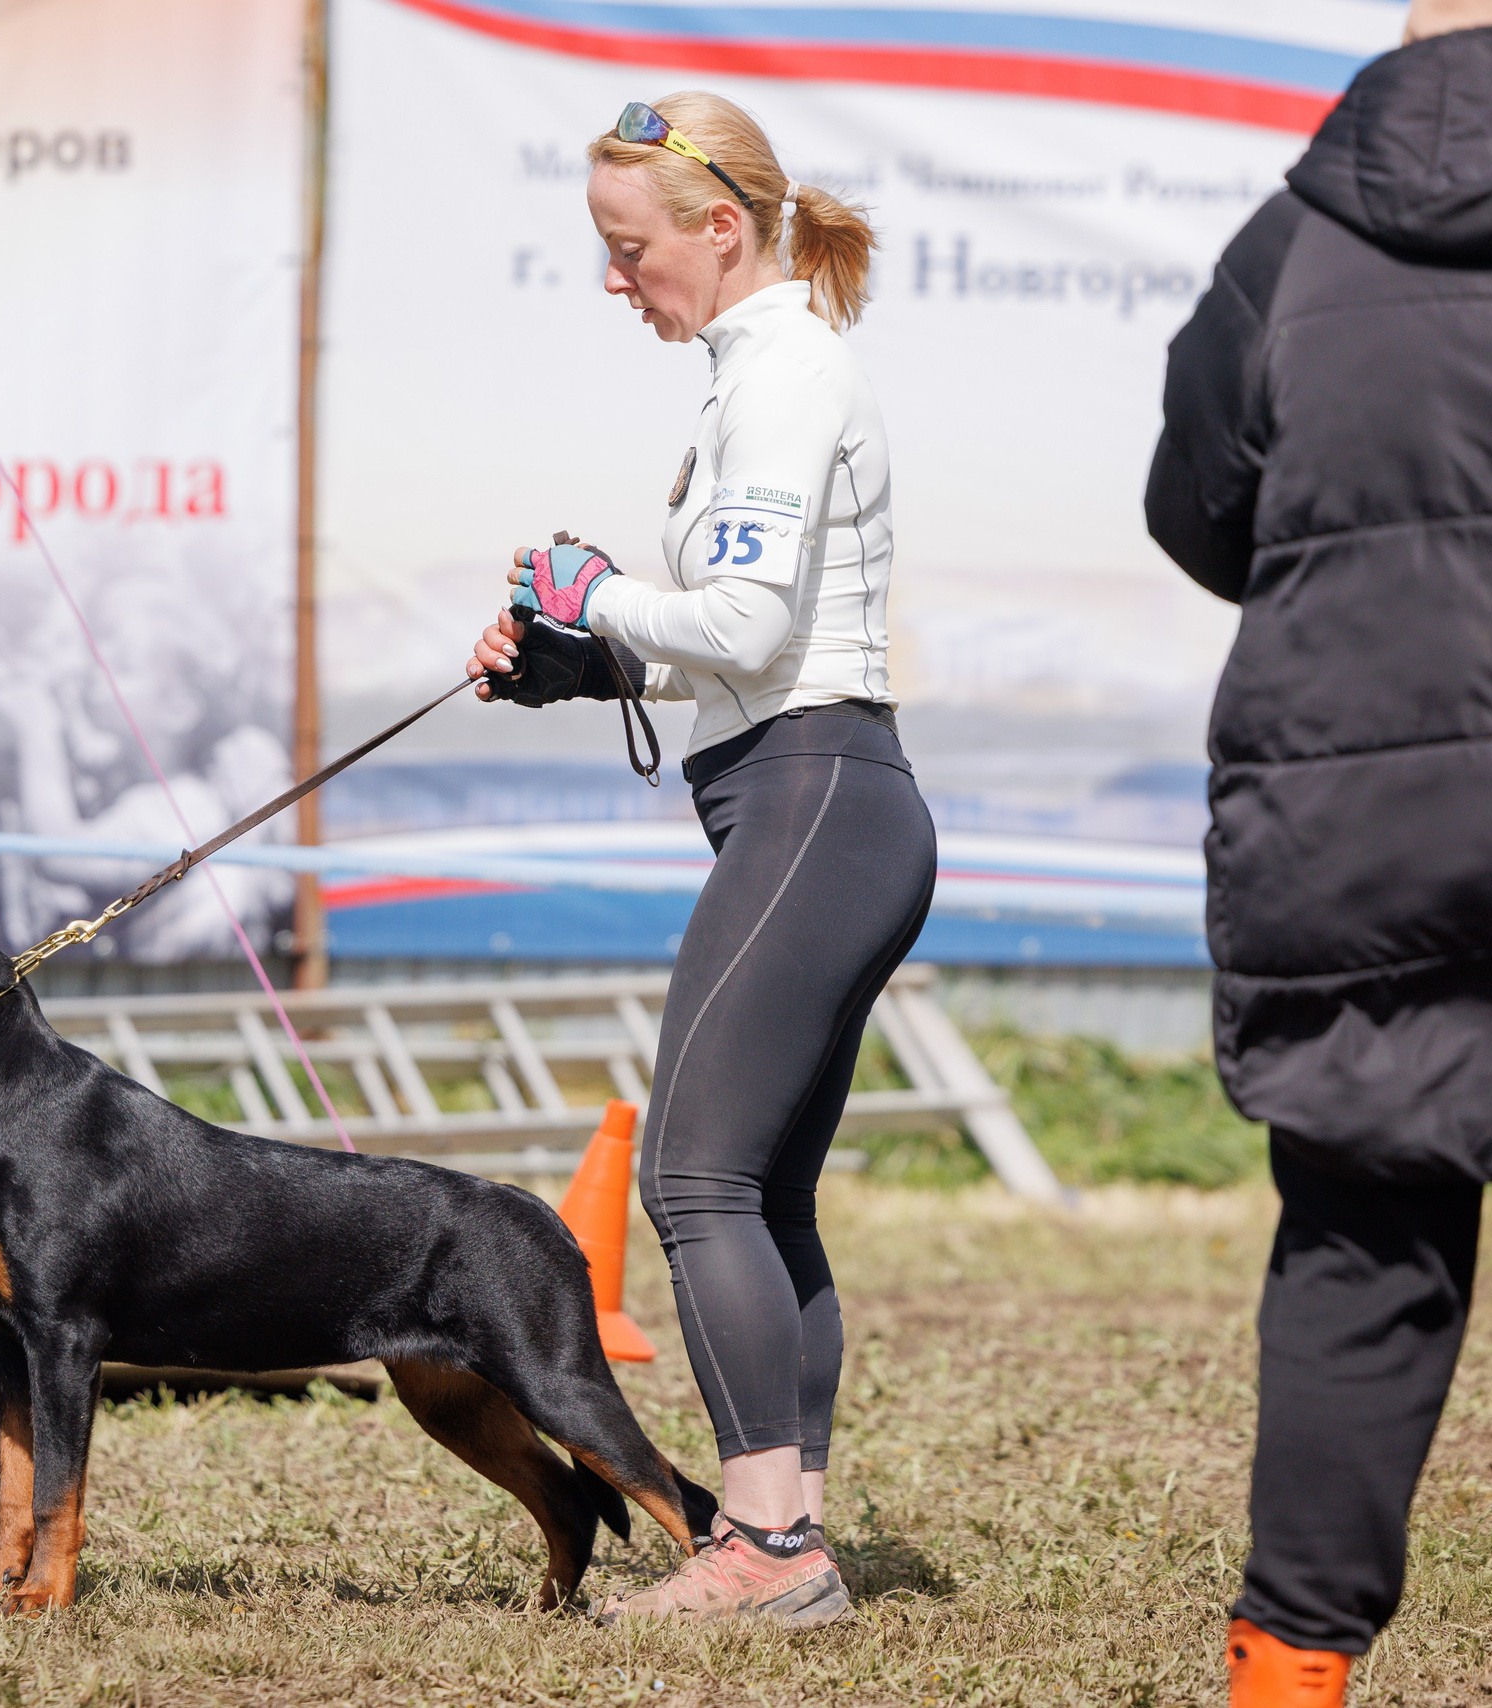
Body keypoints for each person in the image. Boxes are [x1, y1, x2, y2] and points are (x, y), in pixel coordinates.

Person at [467, 91, 934, 1626]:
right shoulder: (759, 368)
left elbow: (742, 629)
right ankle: (785, 1532)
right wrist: (578, 665)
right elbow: (743, 658)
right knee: (763, 1192)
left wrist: (596, 588)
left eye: (630, 247)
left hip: (818, 803)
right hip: (816, 794)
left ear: (719, 231)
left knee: (691, 1177)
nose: (617, 279)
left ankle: (766, 1554)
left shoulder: (785, 369)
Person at [1143, 1, 1492, 1701]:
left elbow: (1195, 510)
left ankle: (1289, 1675)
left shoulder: (1297, 241)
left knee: (1358, 1262)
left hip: (1355, 829)